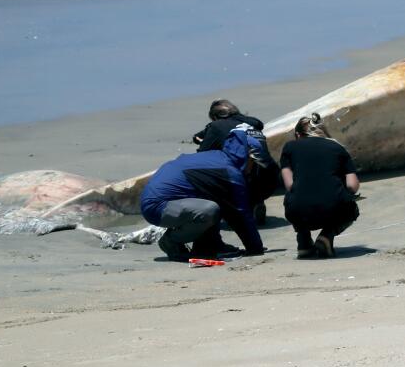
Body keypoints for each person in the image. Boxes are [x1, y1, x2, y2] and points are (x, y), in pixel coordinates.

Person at [139, 129, 265, 262]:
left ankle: (212, 245)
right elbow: (240, 213)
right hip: (158, 207)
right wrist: (255, 248)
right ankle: (171, 241)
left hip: (160, 200)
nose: (252, 169)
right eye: (254, 164)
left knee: (216, 201)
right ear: (249, 157)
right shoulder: (229, 172)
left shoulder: (216, 157)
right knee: (209, 210)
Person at [280, 113, 360, 258]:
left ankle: (303, 240)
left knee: (294, 198)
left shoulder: (289, 147)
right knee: (351, 208)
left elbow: (289, 185)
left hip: (297, 212)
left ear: (298, 134)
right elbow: (352, 186)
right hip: (331, 209)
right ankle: (326, 236)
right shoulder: (337, 148)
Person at [192, 99, 278, 224]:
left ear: (216, 117)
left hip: (243, 184)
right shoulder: (253, 124)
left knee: (201, 168)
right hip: (270, 181)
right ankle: (255, 202)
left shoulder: (217, 126)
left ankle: (231, 208)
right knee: (251, 159)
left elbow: (202, 155)